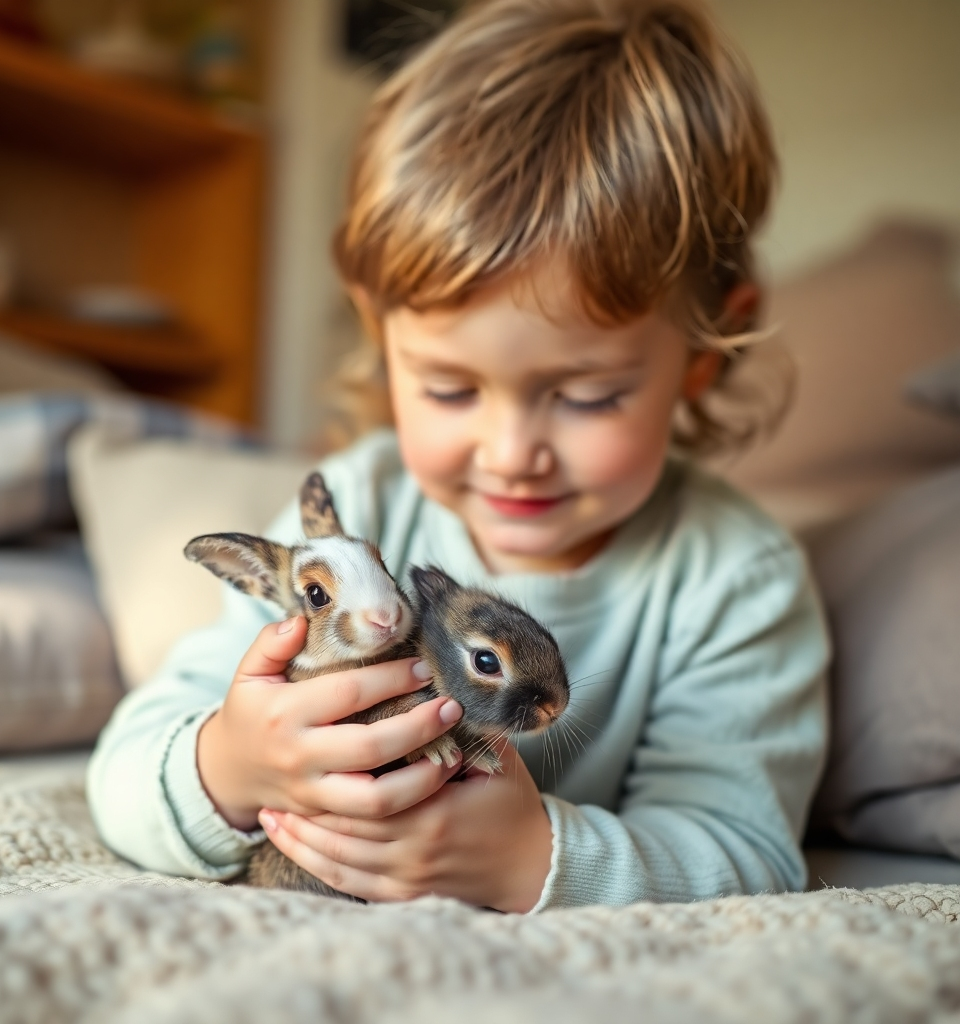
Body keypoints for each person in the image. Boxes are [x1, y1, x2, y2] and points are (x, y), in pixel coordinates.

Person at [88, 0, 828, 913]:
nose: (512, 454)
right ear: (382, 337)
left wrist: (534, 856)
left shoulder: (734, 578)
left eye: (589, 395)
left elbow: (749, 853)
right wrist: (233, 764)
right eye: (449, 388)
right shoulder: (360, 510)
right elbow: (126, 766)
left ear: (702, 362)